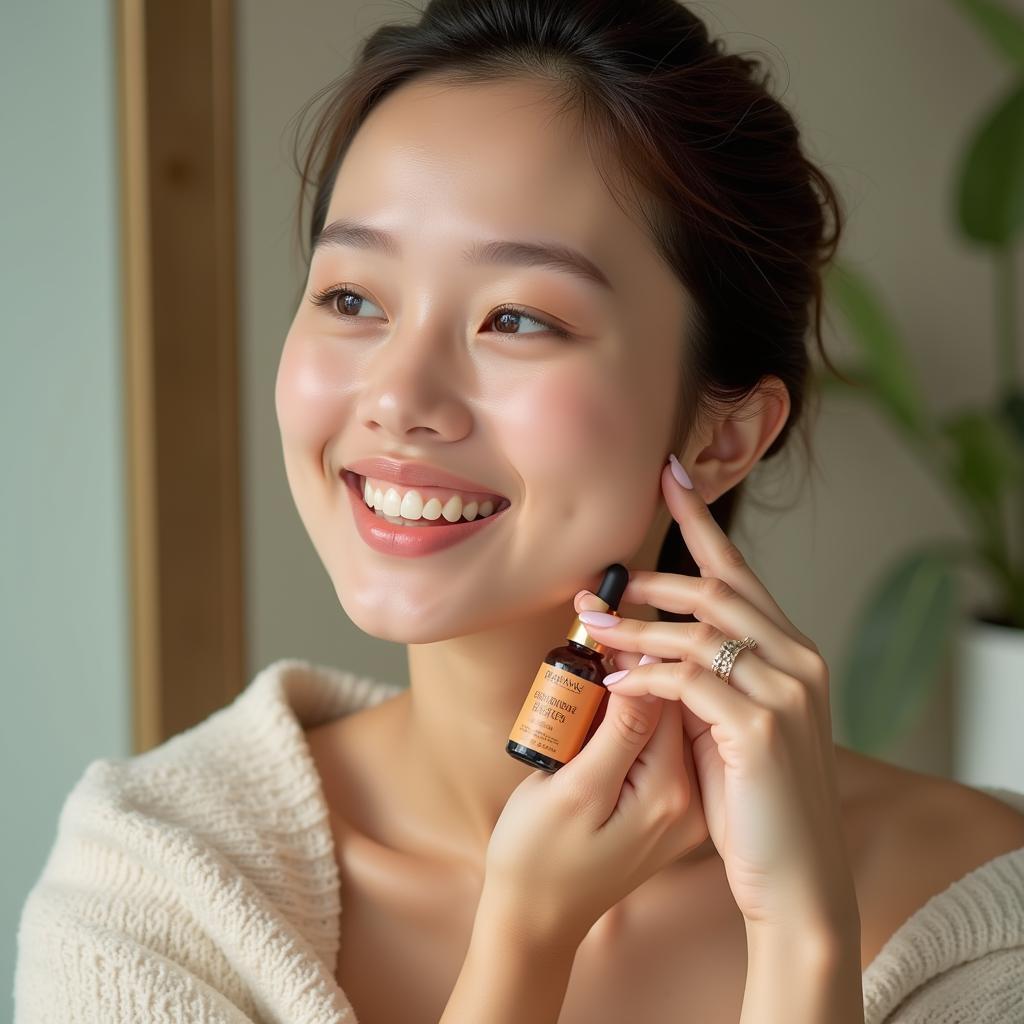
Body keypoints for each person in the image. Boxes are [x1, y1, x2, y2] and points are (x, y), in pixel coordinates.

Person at [15, 2, 1024, 1022]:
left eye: (516, 318)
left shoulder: (982, 915)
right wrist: (522, 941)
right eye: (352, 297)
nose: (400, 397)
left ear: (722, 436)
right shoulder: (159, 893)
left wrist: (804, 938)